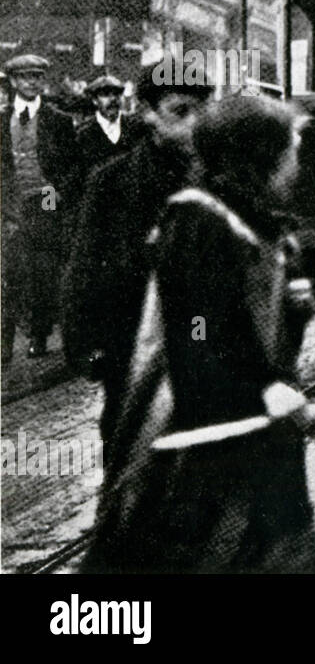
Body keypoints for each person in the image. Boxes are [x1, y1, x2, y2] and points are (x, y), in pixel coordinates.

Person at [84, 94, 315, 573]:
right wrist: (264, 388)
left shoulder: (262, 224)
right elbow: (197, 331)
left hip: (259, 448)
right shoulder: (198, 221)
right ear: (262, 157)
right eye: (291, 150)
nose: (298, 165)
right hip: (208, 455)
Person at [62, 65, 214, 447]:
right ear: (147, 113)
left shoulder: (220, 180)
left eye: (202, 111)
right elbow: (84, 264)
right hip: (129, 350)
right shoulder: (111, 182)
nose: (194, 124)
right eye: (180, 112)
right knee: (128, 454)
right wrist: (87, 349)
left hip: (204, 348)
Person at [1, 54, 77, 361]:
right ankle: (4, 342)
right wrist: (6, 206)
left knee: (44, 272)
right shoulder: (1, 119)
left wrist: (53, 198)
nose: (32, 82)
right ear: (15, 82)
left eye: (37, 76)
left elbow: (73, 167)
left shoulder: (57, 119)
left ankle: (39, 334)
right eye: (25, 77)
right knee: (11, 273)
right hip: (12, 208)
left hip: (46, 204)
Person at [74, 75, 146, 179]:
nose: (112, 99)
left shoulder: (136, 126)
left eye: (116, 94)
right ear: (95, 100)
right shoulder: (82, 134)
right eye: (105, 94)